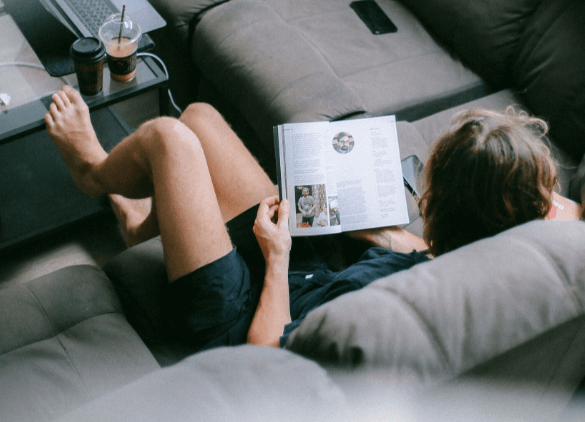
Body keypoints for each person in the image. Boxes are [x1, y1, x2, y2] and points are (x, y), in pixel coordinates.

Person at [45, 87, 584, 351]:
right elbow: (421, 254)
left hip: (240, 312)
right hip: (306, 270)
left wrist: (277, 258)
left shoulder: (387, 302)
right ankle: (143, 229)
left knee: (170, 138)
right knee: (201, 118)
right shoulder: (483, 256)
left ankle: (91, 172)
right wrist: (374, 229)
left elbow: (266, 352)